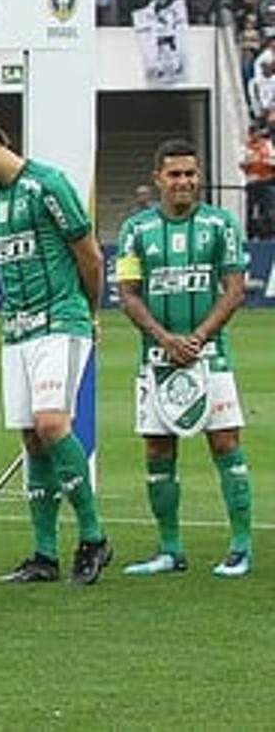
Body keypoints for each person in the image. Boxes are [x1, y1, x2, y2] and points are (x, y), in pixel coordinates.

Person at [0, 111, 112, 585]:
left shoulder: (48, 184)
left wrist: (88, 312)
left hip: (61, 320)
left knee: (52, 423)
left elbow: (90, 255)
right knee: (32, 439)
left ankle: (94, 536)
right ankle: (44, 555)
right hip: (16, 331)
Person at [114, 140, 253, 578]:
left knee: (226, 444)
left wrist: (197, 337)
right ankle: (170, 549)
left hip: (211, 357)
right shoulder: (135, 230)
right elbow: (128, 294)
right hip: (157, 359)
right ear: (158, 179)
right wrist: (165, 338)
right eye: (174, 174)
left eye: (191, 173)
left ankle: (241, 547)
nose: (184, 182)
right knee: (158, 449)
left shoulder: (221, 224)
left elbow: (234, 289)